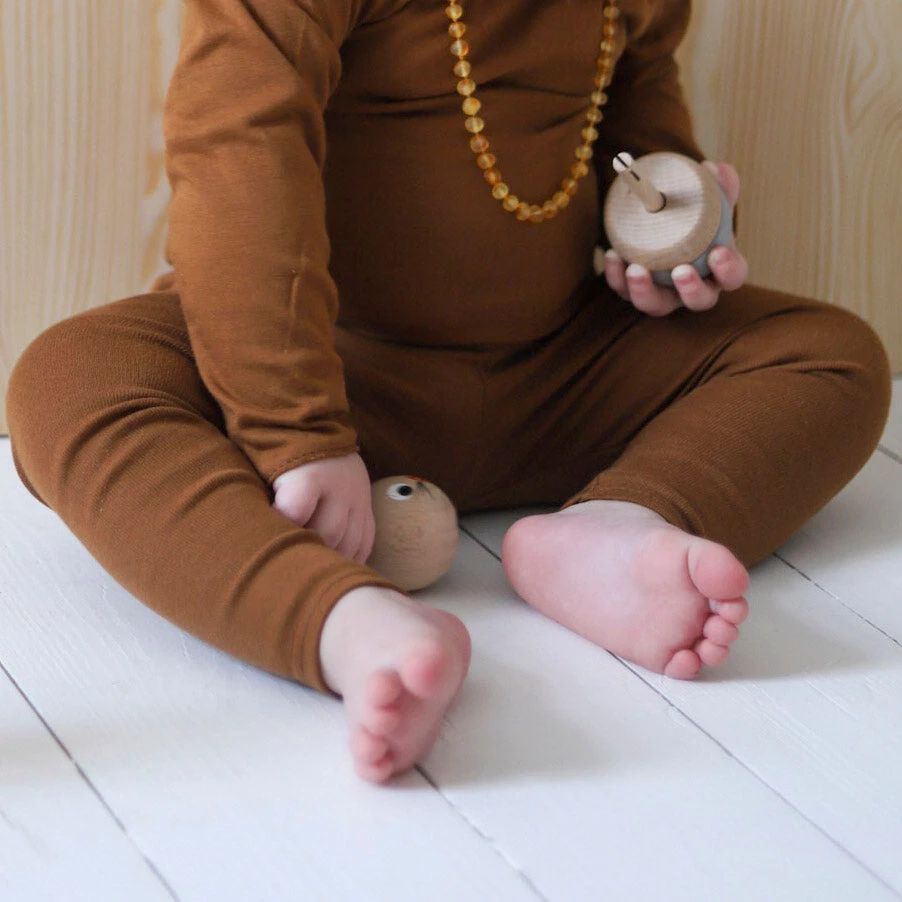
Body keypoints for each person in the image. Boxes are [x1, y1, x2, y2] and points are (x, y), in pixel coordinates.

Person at [6, 0, 891, 783]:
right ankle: (340, 621)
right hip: (337, 369)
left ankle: (615, 525)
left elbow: (635, 112)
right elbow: (237, 156)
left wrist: (673, 228)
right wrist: (294, 427)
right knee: (70, 378)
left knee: (830, 355)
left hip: (562, 374)